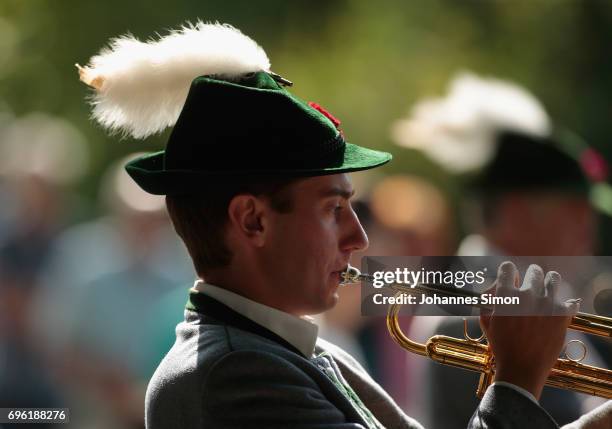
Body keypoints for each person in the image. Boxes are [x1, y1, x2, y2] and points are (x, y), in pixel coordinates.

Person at [77, 21, 611, 428]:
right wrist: (516, 379)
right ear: (252, 220)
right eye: (334, 210)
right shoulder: (231, 373)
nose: (359, 238)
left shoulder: (296, 348)